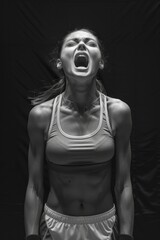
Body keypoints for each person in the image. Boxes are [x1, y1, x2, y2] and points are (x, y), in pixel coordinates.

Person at [24, 28, 134, 240]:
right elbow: (34, 186)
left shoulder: (118, 113)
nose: (82, 45)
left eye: (90, 43)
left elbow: (124, 184)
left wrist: (126, 235)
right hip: (55, 226)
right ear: (59, 62)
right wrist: (31, 235)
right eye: (72, 43)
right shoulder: (41, 116)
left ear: (100, 62)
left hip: (104, 226)